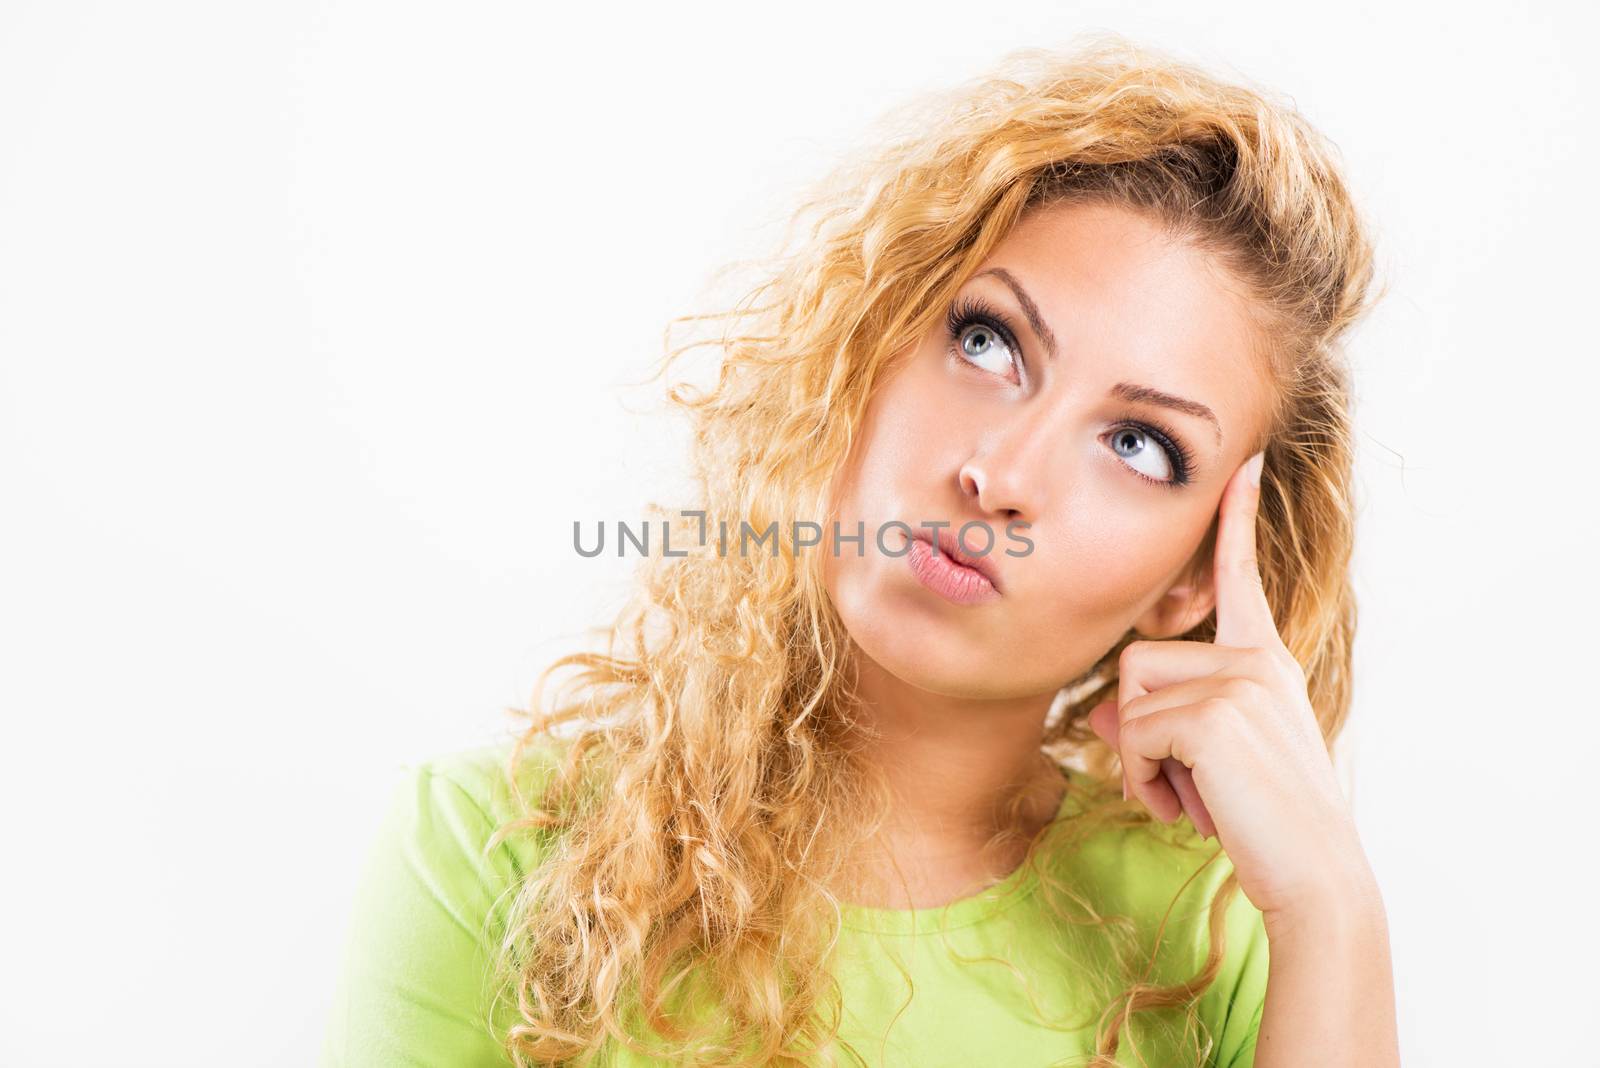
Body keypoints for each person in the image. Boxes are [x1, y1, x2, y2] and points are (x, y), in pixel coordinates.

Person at [322, 33, 1398, 1068]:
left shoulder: (1222, 933)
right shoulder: (496, 856)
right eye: (987, 342)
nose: (1002, 475)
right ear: (865, 347)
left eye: (1139, 446)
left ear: (1191, 579)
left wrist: (1333, 908)